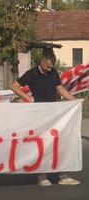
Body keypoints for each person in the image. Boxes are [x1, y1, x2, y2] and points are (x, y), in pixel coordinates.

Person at [11, 50, 80, 186]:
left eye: (51, 67)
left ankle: (63, 175)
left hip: (55, 114)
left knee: (58, 143)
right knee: (42, 145)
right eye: (48, 66)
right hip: (39, 115)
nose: (50, 69)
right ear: (42, 62)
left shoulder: (53, 72)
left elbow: (60, 89)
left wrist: (75, 101)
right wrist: (27, 97)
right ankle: (42, 176)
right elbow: (14, 86)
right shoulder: (31, 74)